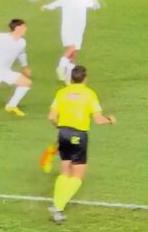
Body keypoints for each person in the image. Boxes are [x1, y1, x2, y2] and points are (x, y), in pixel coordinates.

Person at [46, 66, 115, 223]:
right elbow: (98, 120)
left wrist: (60, 129)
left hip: (63, 133)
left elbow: (51, 117)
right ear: (85, 78)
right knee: (77, 176)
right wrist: (110, 120)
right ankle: (58, 206)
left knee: (65, 172)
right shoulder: (89, 94)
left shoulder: (62, 92)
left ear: (71, 78)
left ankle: (57, 204)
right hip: (79, 135)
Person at [41, 0, 100, 82]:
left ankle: (67, 79)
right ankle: (60, 68)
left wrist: (95, 0)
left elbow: (96, 7)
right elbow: (53, 5)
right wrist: (45, 6)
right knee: (71, 49)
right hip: (67, 29)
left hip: (79, 30)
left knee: (73, 55)